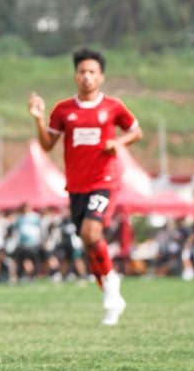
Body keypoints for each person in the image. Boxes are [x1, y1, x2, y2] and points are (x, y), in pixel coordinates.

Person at [28, 48, 143, 325]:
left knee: (92, 233)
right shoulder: (64, 110)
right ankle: (110, 290)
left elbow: (136, 131)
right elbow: (47, 145)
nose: (87, 77)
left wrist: (117, 143)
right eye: (82, 72)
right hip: (76, 186)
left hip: (104, 182)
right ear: (75, 76)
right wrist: (38, 119)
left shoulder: (113, 107)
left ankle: (112, 288)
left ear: (101, 77)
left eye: (92, 72)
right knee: (89, 242)